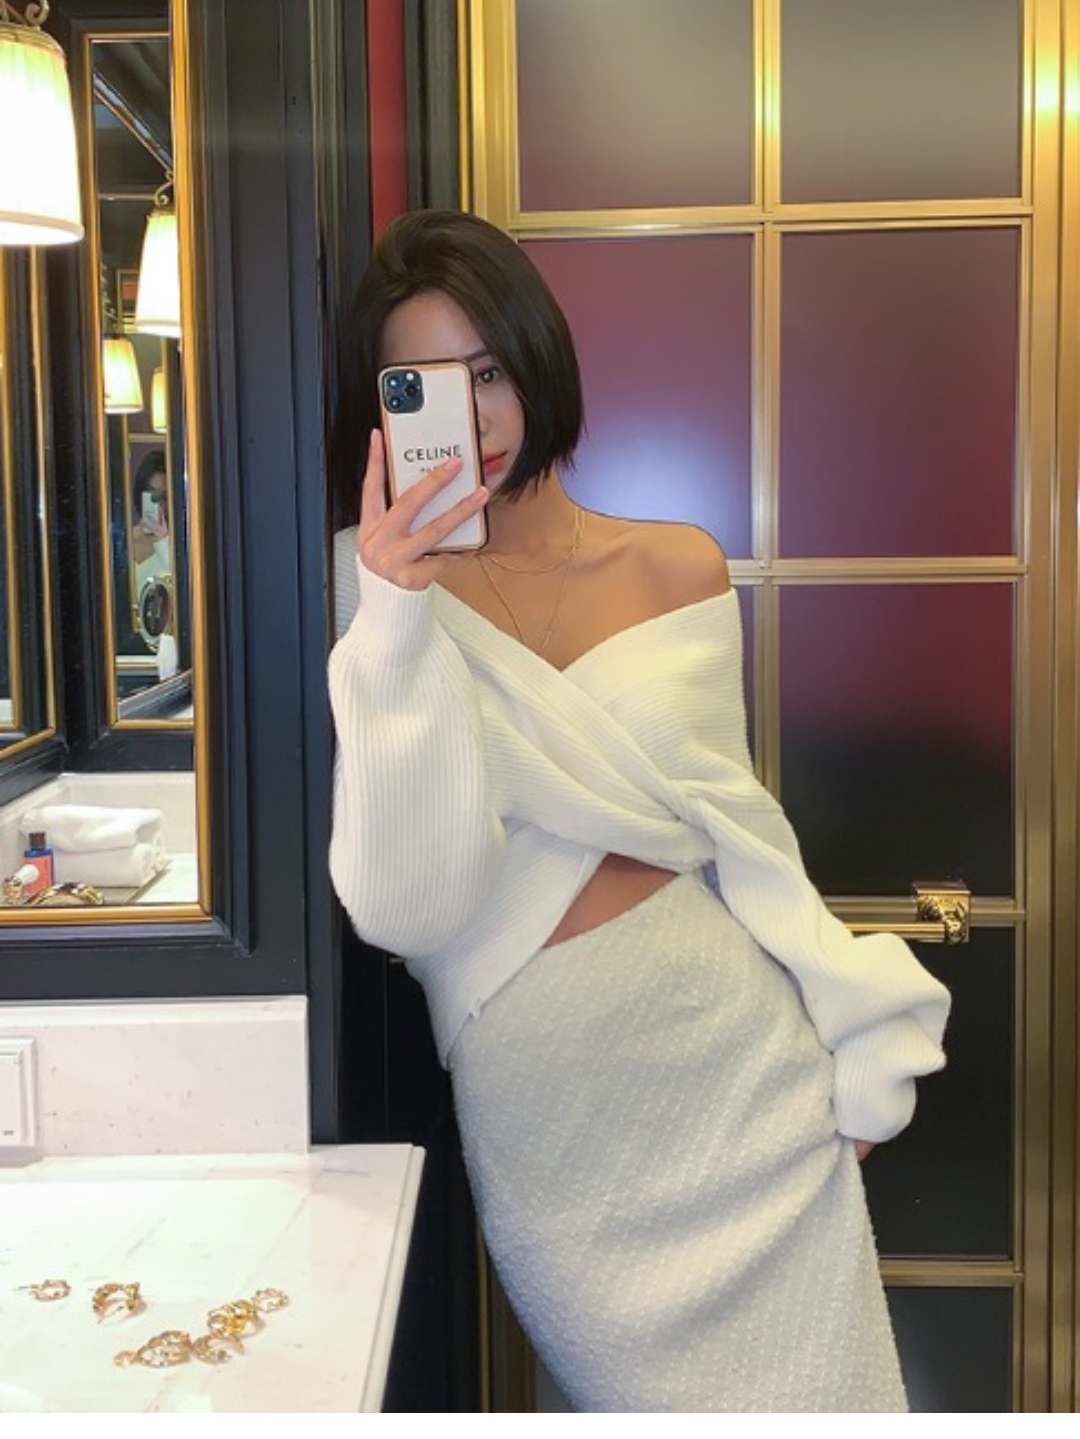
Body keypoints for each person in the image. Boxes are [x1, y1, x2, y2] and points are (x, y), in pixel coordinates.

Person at [327, 208, 951, 1413]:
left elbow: (741, 836)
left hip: (738, 1078)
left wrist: (849, 1023)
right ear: (383, 411)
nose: (474, 415)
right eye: (425, 385)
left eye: (489, 371)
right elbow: (405, 909)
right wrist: (395, 615)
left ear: (538, 358)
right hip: (555, 1131)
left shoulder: (677, 565)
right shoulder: (373, 591)